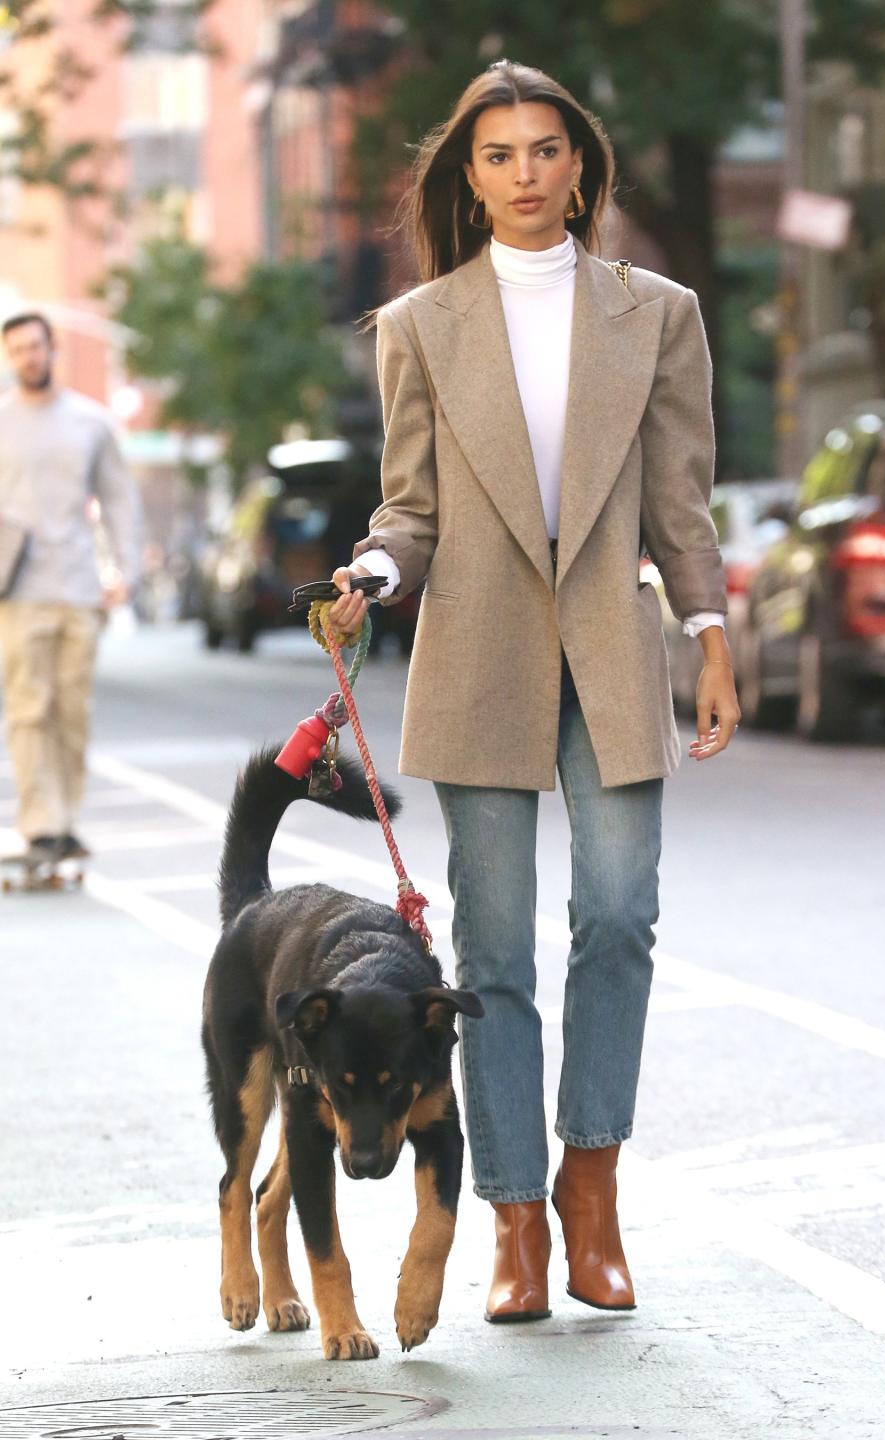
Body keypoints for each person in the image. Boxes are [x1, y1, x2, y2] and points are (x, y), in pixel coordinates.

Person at [329, 61, 740, 1323]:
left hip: (614, 653)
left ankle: (591, 1188)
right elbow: (413, 506)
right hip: (478, 658)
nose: (524, 173)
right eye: (499, 154)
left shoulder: (656, 311)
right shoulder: (419, 325)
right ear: (471, 175)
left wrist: (711, 628)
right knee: (492, 951)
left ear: (579, 164)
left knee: (619, 919)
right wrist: (373, 570)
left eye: (546, 150)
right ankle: (512, 1218)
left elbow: (680, 497)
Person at [0, 311, 140, 862]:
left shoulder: (90, 421)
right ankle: (42, 825)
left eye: (36, 347)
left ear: (52, 349)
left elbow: (120, 499)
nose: (29, 358)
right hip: (18, 591)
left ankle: (65, 814)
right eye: (18, 351)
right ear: (10, 358)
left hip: (79, 588)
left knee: (72, 712)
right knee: (30, 708)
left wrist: (124, 572)